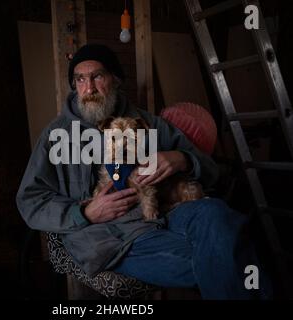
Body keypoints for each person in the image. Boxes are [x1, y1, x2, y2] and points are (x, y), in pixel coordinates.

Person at [16, 44, 272, 299]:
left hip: (166, 212)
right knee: (229, 257)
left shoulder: (148, 124)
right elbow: (30, 201)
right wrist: (84, 212)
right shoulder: (55, 136)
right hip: (111, 238)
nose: (89, 88)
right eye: (80, 79)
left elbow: (212, 171)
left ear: (115, 80)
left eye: (97, 76)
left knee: (215, 212)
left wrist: (182, 158)